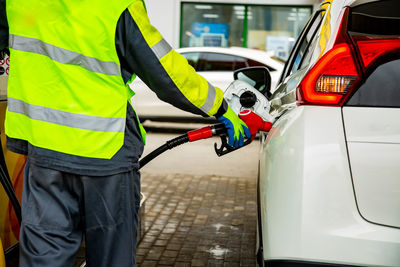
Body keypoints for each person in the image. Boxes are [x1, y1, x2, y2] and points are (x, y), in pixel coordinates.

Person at [0, 0, 250, 267]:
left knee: (43, 257)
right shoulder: (115, 5)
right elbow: (165, 71)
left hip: (45, 151)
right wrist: (218, 105)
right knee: (112, 258)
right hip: (104, 152)